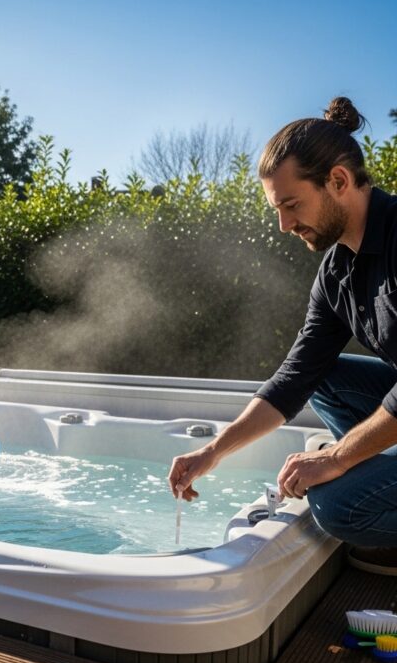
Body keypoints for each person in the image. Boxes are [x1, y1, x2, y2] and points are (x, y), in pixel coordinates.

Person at [168, 96, 397, 575]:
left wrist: (337, 457)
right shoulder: (337, 272)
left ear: (338, 180)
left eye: (291, 205)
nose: (284, 224)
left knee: (338, 507)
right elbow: (297, 375)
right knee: (326, 378)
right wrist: (213, 451)